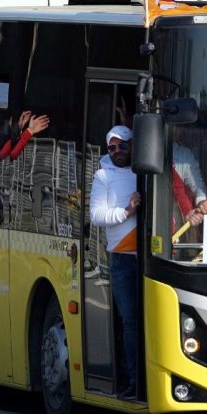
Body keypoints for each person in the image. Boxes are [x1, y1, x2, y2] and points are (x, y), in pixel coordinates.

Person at [89, 125, 141, 399]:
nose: (118, 151)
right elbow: (96, 215)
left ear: (135, 144)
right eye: (112, 147)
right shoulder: (103, 175)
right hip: (122, 258)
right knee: (130, 320)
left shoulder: (146, 169)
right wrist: (126, 212)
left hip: (152, 258)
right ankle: (133, 380)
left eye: (123, 145)